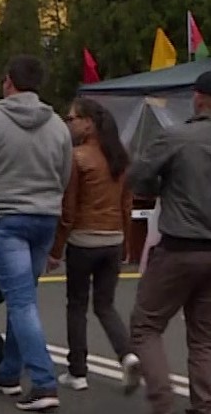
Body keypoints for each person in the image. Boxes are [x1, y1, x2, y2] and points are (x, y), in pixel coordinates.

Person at [127, 69, 211, 414]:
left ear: (197, 98)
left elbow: (138, 179)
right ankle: (203, 407)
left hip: (179, 248)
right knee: (204, 337)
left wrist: (166, 188)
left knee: (146, 325)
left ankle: (162, 399)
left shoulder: (176, 137)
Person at [0, 54, 73, 412]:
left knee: (20, 300)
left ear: (9, 82)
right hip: (44, 219)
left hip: (6, 219)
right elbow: (65, 174)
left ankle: (43, 382)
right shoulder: (57, 126)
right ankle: (8, 372)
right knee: (23, 296)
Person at [46, 97, 137, 392]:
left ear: (88, 122)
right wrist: (126, 245)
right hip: (114, 239)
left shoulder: (77, 157)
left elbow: (68, 210)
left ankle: (78, 371)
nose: (68, 124)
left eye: (71, 119)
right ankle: (127, 354)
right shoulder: (119, 157)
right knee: (105, 305)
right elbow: (126, 204)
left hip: (83, 240)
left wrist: (55, 250)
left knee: (76, 305)